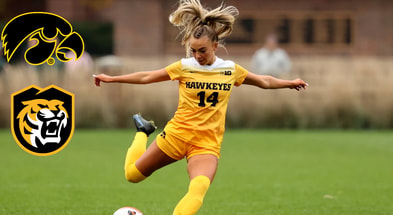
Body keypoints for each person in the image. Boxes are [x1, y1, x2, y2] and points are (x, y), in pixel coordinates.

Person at [93, 0, 307, 214]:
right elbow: (147, 76)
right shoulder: (184, 67)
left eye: (202, 50)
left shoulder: (230, 70)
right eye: (193, 51)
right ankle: (143, 132)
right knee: (132, 176)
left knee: (198, 189)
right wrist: (112, 78)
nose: (197, 56)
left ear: (215, 45)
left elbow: (264, 81)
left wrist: (289, 83)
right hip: (177, 135)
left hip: (206, 144)